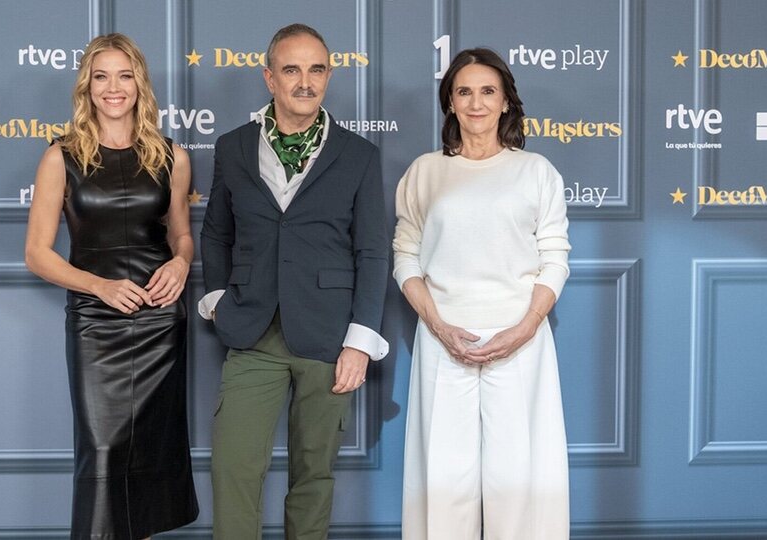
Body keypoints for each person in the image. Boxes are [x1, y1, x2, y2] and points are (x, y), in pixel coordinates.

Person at [198, 23, 389, 540]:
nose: (305, 81)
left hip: (329, 338)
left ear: (328, 75)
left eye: (316, 69)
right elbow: (216, 233)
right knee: (234, 468)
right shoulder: (233, 147)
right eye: (291, 69)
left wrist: (360, 341)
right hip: (251, 332)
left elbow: (373, 251)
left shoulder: (359, 155)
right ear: (269, 78)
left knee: (313, 475)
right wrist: (217, 299)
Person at [24, 33, 198, 539]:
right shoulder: (60, 157)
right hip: (96, 322)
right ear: (87, 86)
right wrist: (99, 286)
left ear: (139, 84)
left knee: (149, 455)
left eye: (124, 76)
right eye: (101, 76)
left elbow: (182, 235)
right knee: (101, 452)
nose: (113, 87)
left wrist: (181, 264)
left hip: (159, 320)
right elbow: (36, 253)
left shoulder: (172, 156)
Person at [394, 47, 571, 539]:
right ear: (450, 102)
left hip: (520, 341)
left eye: (488, 91)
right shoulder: (425, 172)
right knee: (443, 479)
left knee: (517, 480)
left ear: (506, 101)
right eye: (464, 92)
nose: (476, 103)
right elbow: (405, 257)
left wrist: (524, 328)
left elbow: (555, 259)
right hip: (444, 339)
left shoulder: (537, 171)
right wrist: (439, 325)